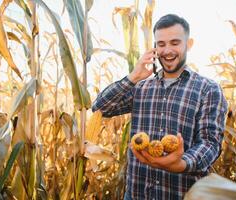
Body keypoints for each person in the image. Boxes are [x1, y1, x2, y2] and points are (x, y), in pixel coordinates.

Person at [92, 14, 228, 200]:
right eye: (161, 44)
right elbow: (100, 108)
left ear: (188, 44)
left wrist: (182, 163)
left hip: (180, 194)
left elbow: (210, 143)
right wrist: (133, 77)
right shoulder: (140, 87)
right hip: (136, 194)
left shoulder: (208, 89)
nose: (167, 50)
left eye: (175, 43)